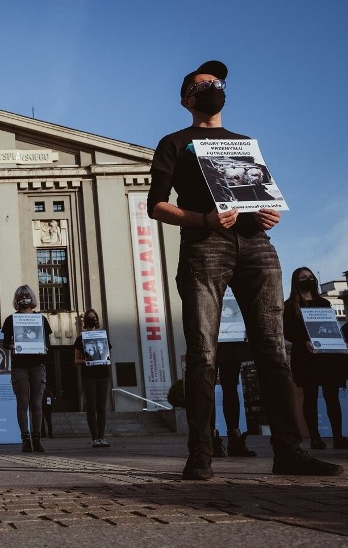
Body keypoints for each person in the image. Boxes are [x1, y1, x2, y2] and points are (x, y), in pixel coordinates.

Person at [147, 60, 342, 480]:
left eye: (218, 83)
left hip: (258, 247)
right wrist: (205, 220)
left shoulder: (242, 143)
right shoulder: (174, 142)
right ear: (187, 99)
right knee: (203, 352)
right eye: (204, 84)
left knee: (273, 350)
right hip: (205, 246)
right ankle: (200, 454)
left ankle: (289, 451)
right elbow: (156, 204)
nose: (214, 88)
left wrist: (269, 213)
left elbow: (258, 193)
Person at [283, 267, 348, 449]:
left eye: (310, 277)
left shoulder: (324, 303)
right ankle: (315, 438)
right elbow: (287, 331)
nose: (309, 279)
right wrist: (304, 341)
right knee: (310, 396)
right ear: (296, 281)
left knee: (332, 396)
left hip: (327, 356)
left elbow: (331, 327)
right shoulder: (289, 306)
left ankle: (338, 436)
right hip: (305, 356)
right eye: (304, 277)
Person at [2, 285, 52, 453]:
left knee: (37, 403)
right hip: (20, 366)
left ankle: (37, 439)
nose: (24, 297)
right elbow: (4, 344)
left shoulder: (41, 319)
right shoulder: (11, 319)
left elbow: (48, 343)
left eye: (27, 294)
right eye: (21, 295)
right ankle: (25, 439)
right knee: (23, 403)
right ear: (16, 300)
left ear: (32, 298)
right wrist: (13, 345)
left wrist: (44, 348)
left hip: (37, 365)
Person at [210, 342, 257, 457]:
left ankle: (225, 439)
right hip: (220, 338)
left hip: (228, 339)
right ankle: (215, 440)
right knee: (216, 389)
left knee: (228, 388)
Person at [74, 309, 111, 448]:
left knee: (101, 407)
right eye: (89, 317)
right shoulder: (80, 338)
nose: (92, 319)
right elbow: (76, 360)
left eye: (94, 317)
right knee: (91, 407)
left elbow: (107, 355)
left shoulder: (103, 337)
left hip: (103, 375)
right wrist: (88, 361)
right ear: (85, 320)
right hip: (88, 376)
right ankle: (95, 438)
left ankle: (102, 437)